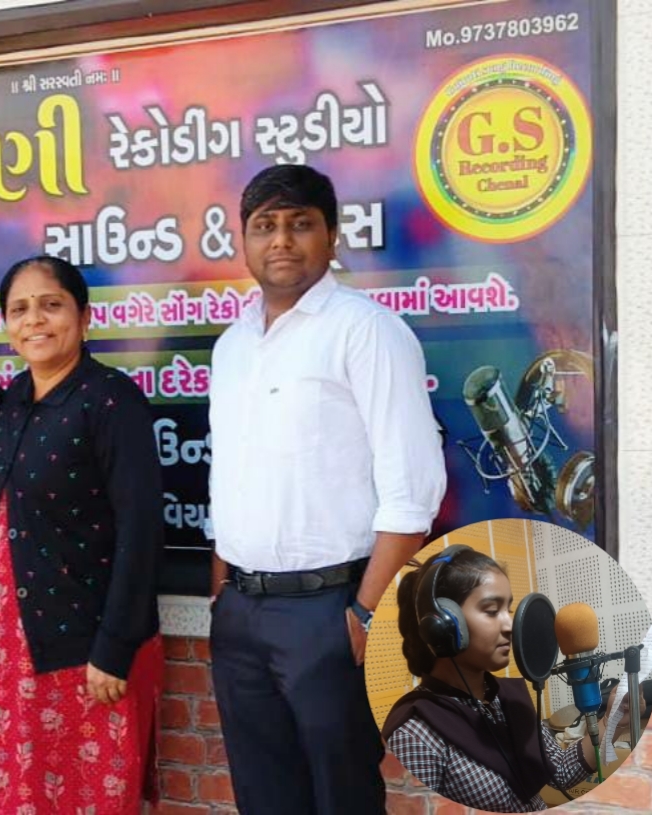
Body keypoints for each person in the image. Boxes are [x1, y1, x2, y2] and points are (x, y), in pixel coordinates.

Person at [207, 164, 446, 814]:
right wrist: (222, 591)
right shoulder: (232, 346)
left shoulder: (366, 331)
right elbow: (228, 476)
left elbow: (412, 492)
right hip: (241, 613)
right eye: (265, 226)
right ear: (244, 241)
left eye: (300, 223)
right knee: (264, 797)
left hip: (331, 611)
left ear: (332, 236)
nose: (281, 240)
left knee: (343, 797)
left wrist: (365, 614)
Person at [0, 255, 165, 814]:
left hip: (86, 645)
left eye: (51, 305)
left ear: (84, 317)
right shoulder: (12, 398)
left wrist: (114, 647)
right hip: (9, 642)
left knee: (85, 793)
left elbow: (141, 531)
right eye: (19, 309)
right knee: (18, 790)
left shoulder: (110, 399)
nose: (34, 320)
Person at [384, 546, 601, 811]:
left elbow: (561, 773)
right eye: (491, 610)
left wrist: (613, 719)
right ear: (444, 625)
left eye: (508, 609)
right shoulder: (415, 733)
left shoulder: (511, 699)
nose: (509, 625)